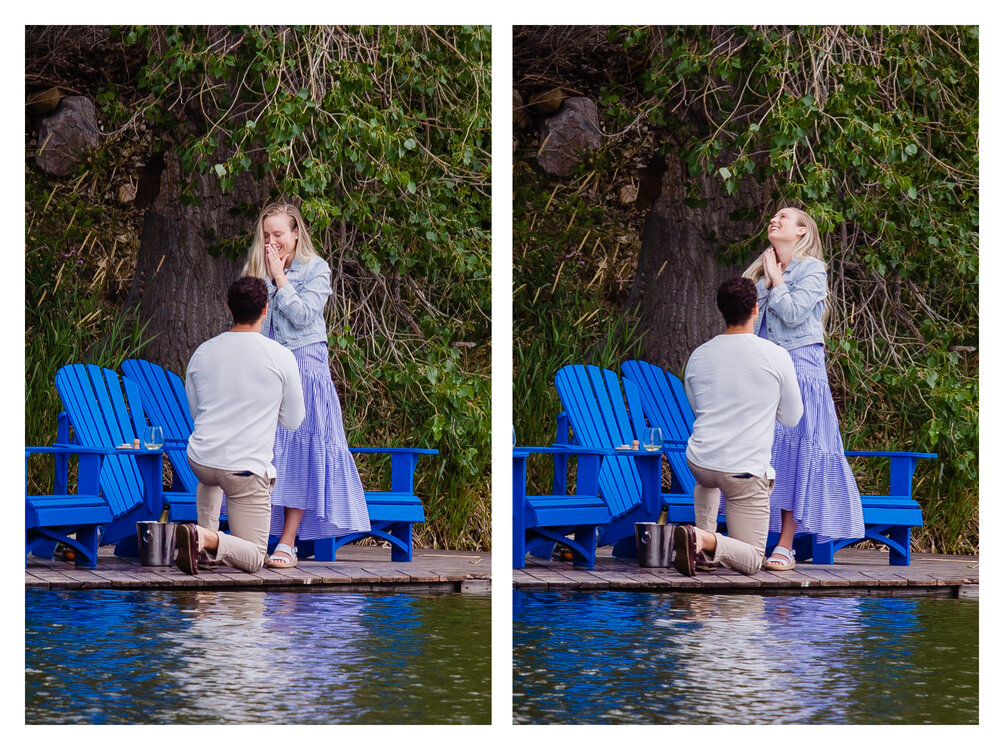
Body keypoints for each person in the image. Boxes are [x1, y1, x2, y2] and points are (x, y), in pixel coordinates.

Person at [242, 202, 369, 568]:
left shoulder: (316, 269)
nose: (272, 242)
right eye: (266, 236)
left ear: (296, 234)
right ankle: (253, 540)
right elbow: (251, 326)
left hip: (305, 368)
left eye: (278, 235)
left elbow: (302, 316)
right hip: (267, 368)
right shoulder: (255, 270)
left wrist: (280, 278)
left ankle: (287, 541)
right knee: (265, 452)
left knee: (299, 451)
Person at [743, 206, 866, 571]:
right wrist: (765, 280)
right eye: (774, 215)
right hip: (763, 371)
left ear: (801, 232)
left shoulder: (812, 269)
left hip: (800, 370)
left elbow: (795, 313)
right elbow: (749, 323)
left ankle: (785, 544)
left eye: (784, 217)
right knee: (761, 451)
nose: (774, 219)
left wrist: (776, 281)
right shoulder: (758, 270)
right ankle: (747, 543)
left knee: (796, 452)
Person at [674, 277, 803, 577]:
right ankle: (704, 539)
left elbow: (699, 408)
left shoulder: (699, 355)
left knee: (709, 477)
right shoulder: (775, 355)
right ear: (756, 309)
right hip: (742, 472)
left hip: (701, 463)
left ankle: (703, 550)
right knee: (754, 558)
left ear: (722, 311)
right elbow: (793, 416)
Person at [177, 276, 306, 575]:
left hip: (201, 461)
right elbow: (293, 420)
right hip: (243, 471)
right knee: (255, 557)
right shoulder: (281, 357)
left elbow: (197, 414)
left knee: (212, 474)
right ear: (265, 309)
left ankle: (205, 549)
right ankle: (206, 537)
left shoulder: (203, 352)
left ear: (229, 308)